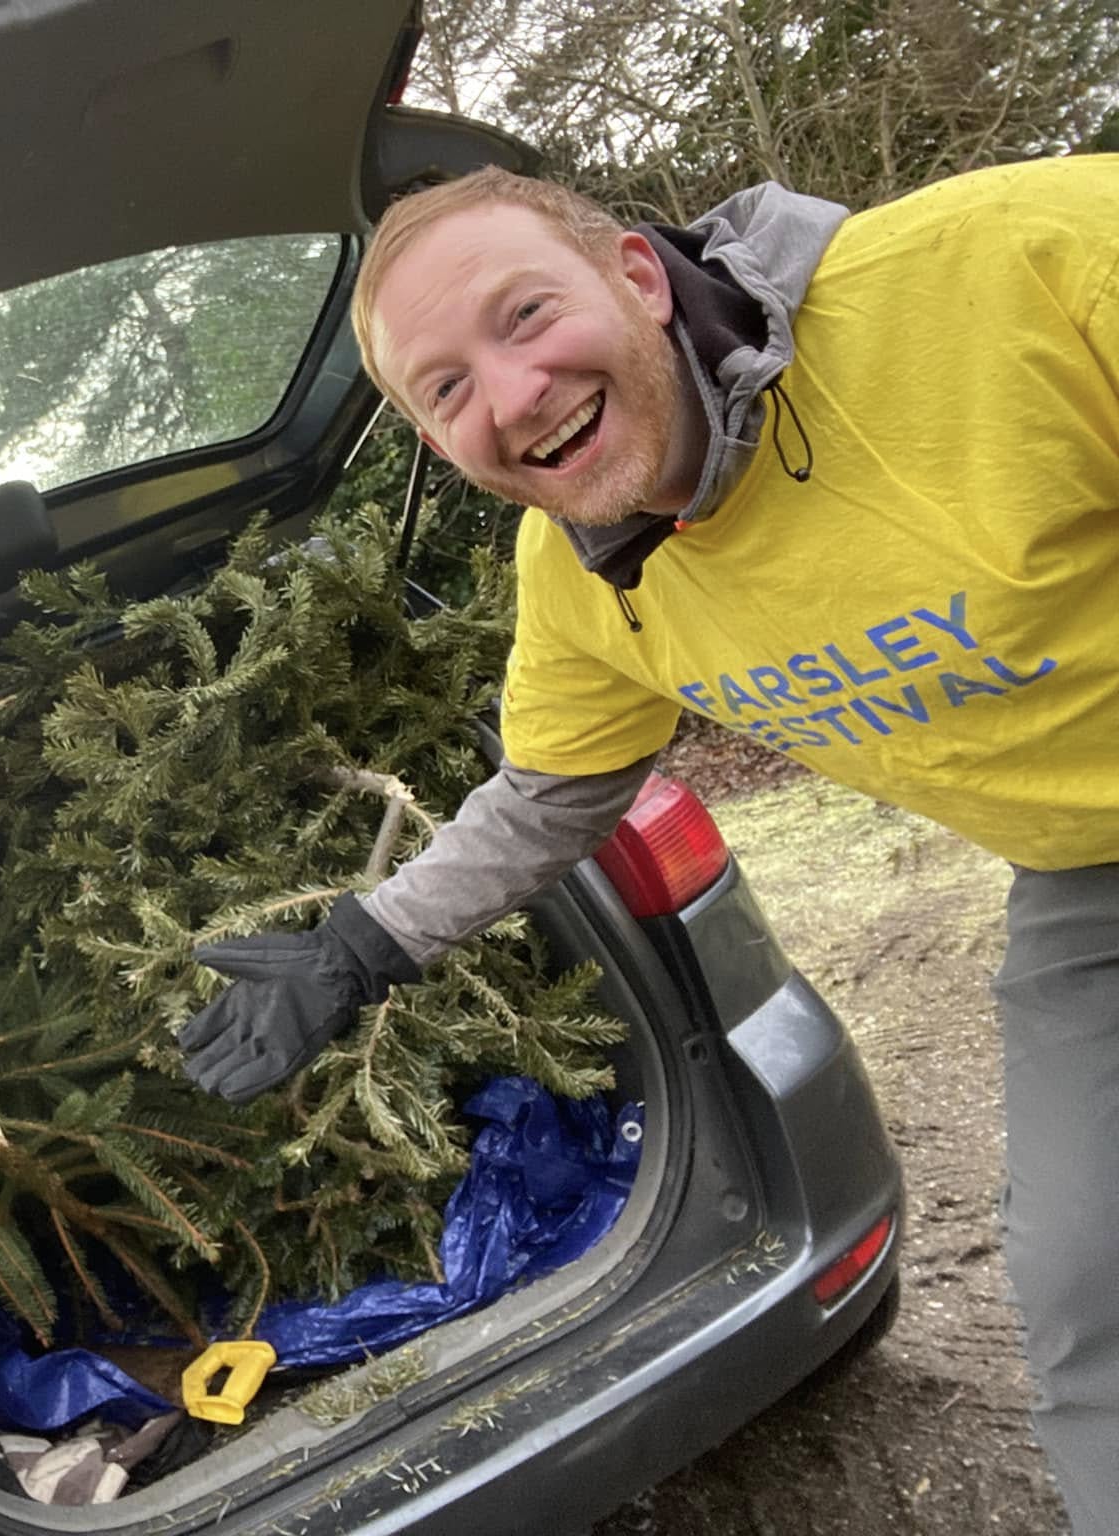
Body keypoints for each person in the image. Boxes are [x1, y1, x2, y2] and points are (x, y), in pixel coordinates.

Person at [177, 155, 1117, 1531]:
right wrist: (367, 944)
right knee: (1093, 1280)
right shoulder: (580, 576)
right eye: (445, 389)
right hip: (1086, 878)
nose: (510, 395)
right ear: (438, 445)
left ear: (631, 271)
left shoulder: (1009, 270)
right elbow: (551, 793)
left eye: (523, 316)